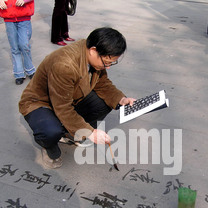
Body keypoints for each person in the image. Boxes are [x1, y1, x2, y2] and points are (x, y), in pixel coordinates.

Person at [19, 27, 136, 169]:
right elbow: (63, 108)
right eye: (107, 62)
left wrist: (121, 99)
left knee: (105, 102)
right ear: (93, 50)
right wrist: (90, 132)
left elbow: (102, 84)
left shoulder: (93, 55)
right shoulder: (64, 65)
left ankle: (70, 133)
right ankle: (49, 145)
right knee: (50, 131)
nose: (108, 67)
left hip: (66, 97)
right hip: (41, 103)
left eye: (112, 62)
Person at [0, 0, 36, 85]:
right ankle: (19, 73)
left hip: (24, 16)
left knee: (24, 45)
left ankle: (30, 69)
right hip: (8, 17)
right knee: (15, 47)